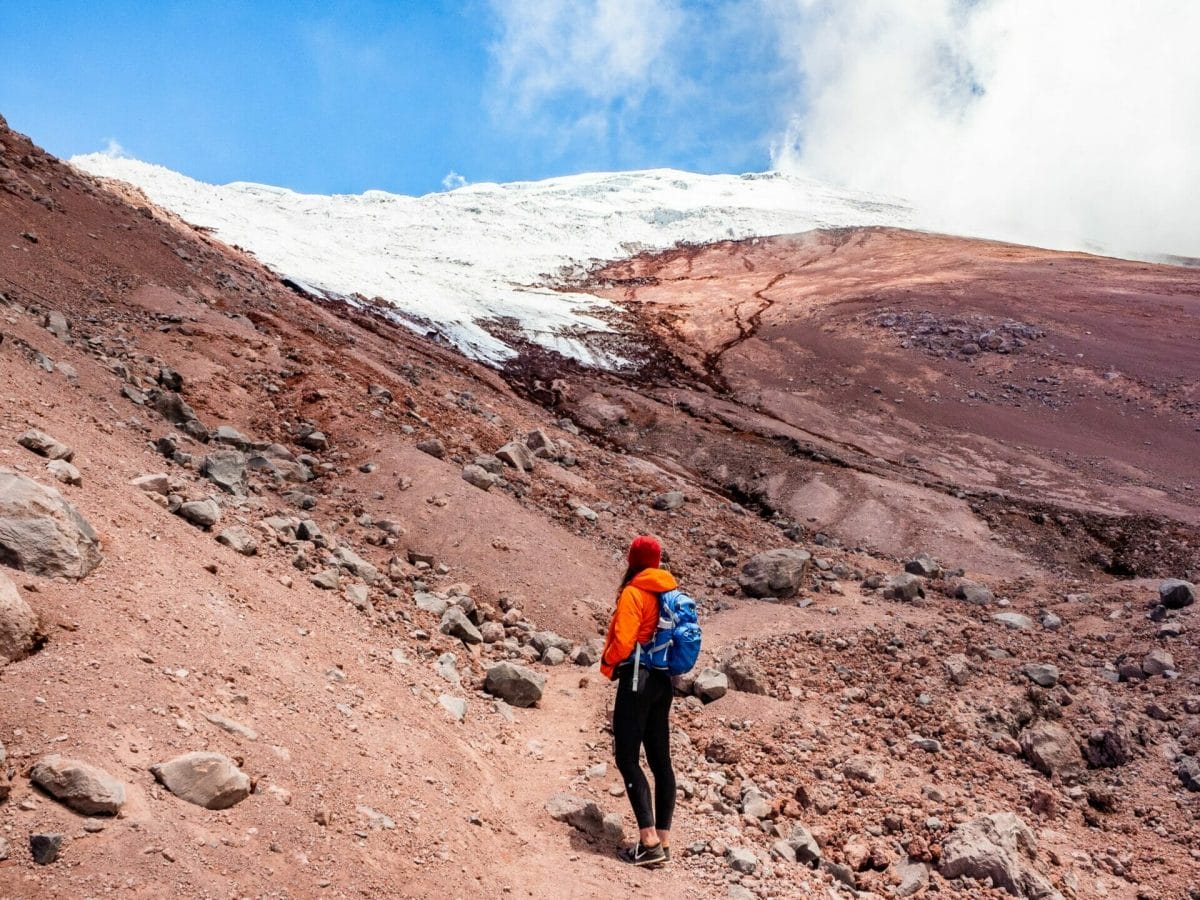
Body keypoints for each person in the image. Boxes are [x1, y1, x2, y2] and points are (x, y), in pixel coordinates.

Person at [600, 535, 678, 867]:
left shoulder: (634, 592)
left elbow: (624, 638)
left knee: (627, 757)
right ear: (657, 562)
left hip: (637, 678)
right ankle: (663, 841)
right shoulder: (670, 593)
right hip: (663, 679)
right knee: (661, 761)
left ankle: (647, 843)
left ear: (633, 560)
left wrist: (608, 662)